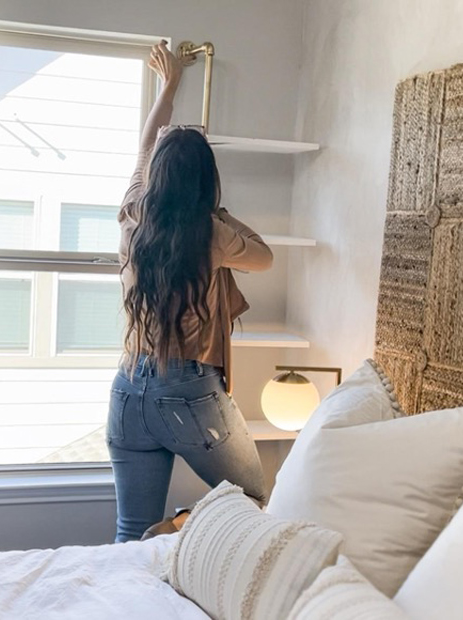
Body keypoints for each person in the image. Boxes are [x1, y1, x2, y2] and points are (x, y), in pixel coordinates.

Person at [108, 41, 273, 543]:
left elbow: (144, 145)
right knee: (253, 497)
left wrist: (170, 83)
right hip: (186, 390)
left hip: (127, 389)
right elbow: (263, 255)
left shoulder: (134, 211)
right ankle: (180, 525)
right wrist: (215, 213)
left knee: (128, 533)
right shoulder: (211, 233)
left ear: (157, 176)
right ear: (205, 182)